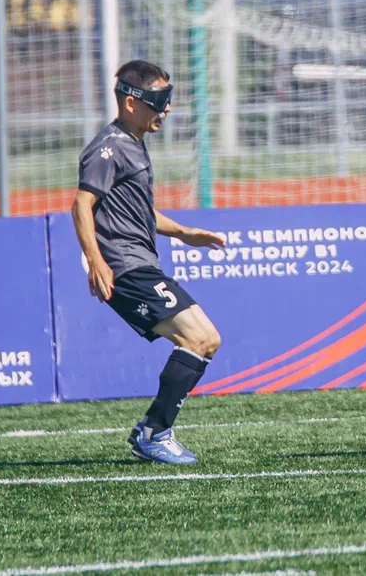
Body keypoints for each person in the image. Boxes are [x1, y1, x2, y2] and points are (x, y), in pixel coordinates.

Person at [71, 60, 227, 465]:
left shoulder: (133, 144)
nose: (167, 108)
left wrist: (184, 233)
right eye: (159, 99)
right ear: (130, 102)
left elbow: (138, 212)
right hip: (125, 268)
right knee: (200, 338)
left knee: (204, 340)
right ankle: (154, 433)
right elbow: (82, 205)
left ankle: (154, 430)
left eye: (168, 99)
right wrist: (96, 260)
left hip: (140, 264)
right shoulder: (108, 147)